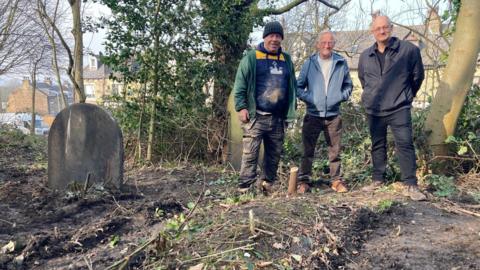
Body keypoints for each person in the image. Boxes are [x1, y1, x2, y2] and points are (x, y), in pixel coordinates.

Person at [358, 15, 427, 201]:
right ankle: (378, 180)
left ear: (391, 28)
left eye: (385, 27)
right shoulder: (365, 56)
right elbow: (364, 80)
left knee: (405, 144)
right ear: (373, 32)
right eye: (377, 28)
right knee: (377, 145)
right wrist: (372, 95)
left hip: (399, 107)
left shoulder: (408, 50)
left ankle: (411, 185)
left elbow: (417, 77)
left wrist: (406, 95)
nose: (382, 31)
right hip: (374, 108)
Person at [233, 21, 296, 194]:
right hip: (256, 116)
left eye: (278, 36)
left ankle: (266, 186)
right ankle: (244, 188)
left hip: (278, 118)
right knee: (250, 154)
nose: (274, 39)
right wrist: (241, 107)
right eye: (271, 36)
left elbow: (292, 87)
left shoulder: (286, 59)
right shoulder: (252, 58)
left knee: (273, 155)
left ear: (281, 39)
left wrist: (290, 113)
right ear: (265, 37)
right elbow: (240, 85)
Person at [296, 31, 353, 193]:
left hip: (334, 115)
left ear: (334, 44)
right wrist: (310, 98)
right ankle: (304, 181)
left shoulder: (341, 62)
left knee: (335, 151)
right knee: (307, 151)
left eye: (330, 42)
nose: (327, 45)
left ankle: (336, 181)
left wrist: (339, 97)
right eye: (324, 42)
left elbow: (348, 85)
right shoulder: (310, 63)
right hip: (313, 114)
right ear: (318, 44)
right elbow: (298, 86)